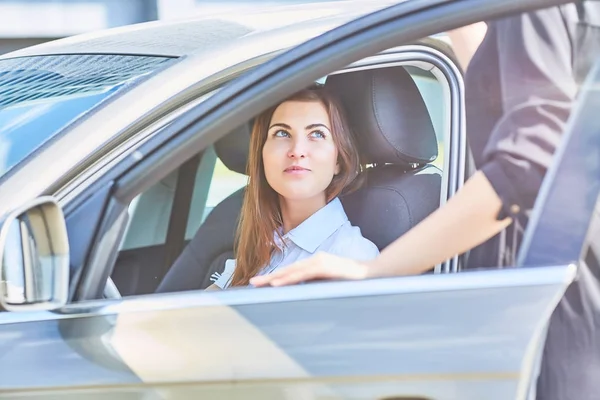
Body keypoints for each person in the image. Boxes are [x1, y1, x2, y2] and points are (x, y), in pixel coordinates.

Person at [207, 85, 379, 289]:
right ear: (261, 154)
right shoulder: (262, 245)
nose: (297, 151)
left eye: (317, 134)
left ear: (338, 160)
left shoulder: (351, 258)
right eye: (282, 133)